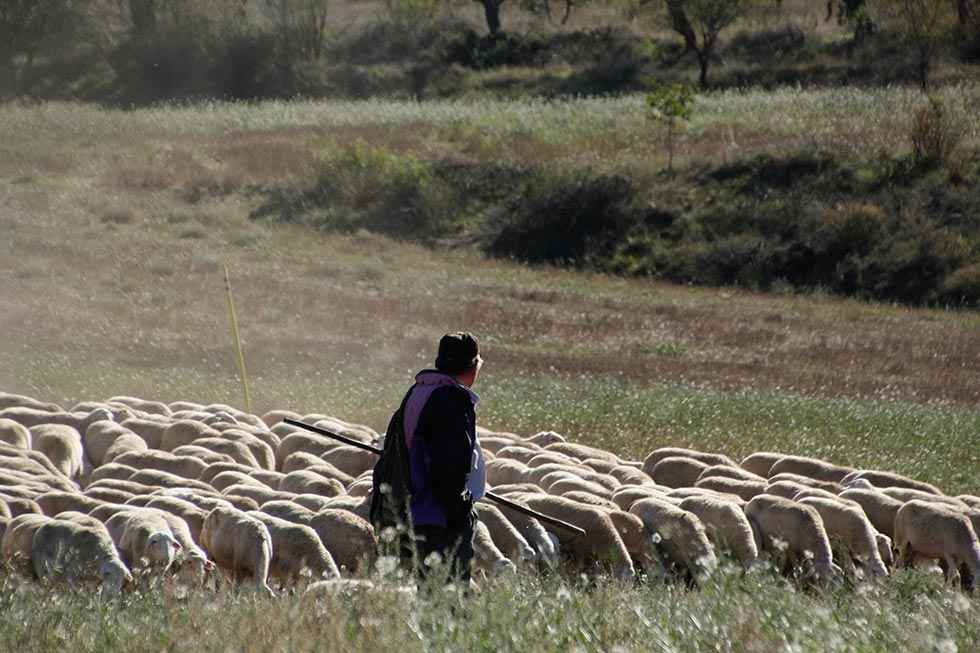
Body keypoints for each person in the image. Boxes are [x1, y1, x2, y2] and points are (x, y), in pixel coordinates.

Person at [370, 331, 486, 583]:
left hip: (409, 511)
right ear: (473, 366)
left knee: (422, 592)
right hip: (437, 517)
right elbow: (450, 465)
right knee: (448, 595)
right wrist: (460, 509)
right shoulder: (451, 400)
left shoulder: (418, 392)